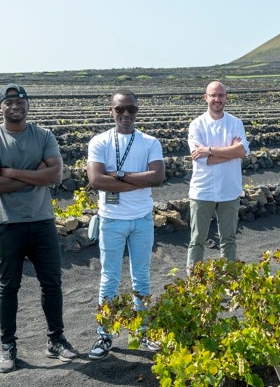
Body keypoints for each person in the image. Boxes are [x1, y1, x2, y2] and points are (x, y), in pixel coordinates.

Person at [0, 83, 79, 373]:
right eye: (8, 101)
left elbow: (56, 173)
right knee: (8, 287)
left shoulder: (43, 135)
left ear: (28, 105)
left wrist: (11, 173)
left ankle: (56, 339)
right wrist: (36, 176)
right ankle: (8, 346)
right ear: (0, 107)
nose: (15, 105)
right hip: (5, 223)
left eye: (20, 100)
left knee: (52, 283)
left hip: (42, 220)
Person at [86, 88, 165, 360]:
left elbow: (157, 177)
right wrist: (137, 179)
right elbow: (96, 180)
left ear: (137, 112)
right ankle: (104, 334)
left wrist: (117, 175)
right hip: (111, 220)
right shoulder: (99, 142)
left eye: (131, 109)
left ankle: (142, 330)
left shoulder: (150, 142)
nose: (126, 115)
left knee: (141, 277)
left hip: (142, 219)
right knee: (109, 279)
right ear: (111, 111)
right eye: (120, 110)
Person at [187, 81, 250, 273]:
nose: (217, 99)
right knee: (197, 240)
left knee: (229, 239)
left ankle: (230, 283)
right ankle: (193, 284)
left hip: (229, 190)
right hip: (202, 191)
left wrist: (210, 150)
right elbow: (201, 160)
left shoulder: (235, 122)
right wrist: (230, 151)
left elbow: (242, 151)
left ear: (226, 97)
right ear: (206, 97)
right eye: (213, 95)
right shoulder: (196, 125)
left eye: (221, 95)